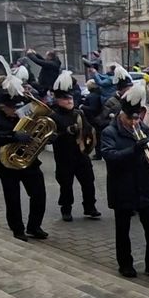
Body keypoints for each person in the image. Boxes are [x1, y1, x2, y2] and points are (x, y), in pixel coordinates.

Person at [102, 80, 149, 279]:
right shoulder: (109, 132)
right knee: (123, 231)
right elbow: (110, 156)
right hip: (122, 187)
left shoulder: (143, 128)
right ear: (122, 115)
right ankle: (125, 264)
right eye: (131, 120)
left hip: (144, 186)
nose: (134, 123)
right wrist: (134, 149)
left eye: (137, 119)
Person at [0, 74, 48, 242]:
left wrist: (47, 138)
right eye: (11, 107)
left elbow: (38, 128)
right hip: (7, 163)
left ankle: (34, 226)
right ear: (2, 106)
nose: (15, 110)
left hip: (30, 161)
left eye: (17, 106)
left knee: (39, 194)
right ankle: (17, 229)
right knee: (12, 198)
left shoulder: (24, 112)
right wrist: (13, 136)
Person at [49, 72, 100, 222]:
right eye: (65, 98)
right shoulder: (53, 116)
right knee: (66, 185)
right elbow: (50, 137)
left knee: (88, 182)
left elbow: (88, 128)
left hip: (81, 154)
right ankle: (66, 209)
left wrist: (88, 134)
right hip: (64, 156)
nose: (69, 100)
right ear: (58, 100)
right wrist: (65, 132)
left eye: (70, 97)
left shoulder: (79, 113)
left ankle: (90, 207)